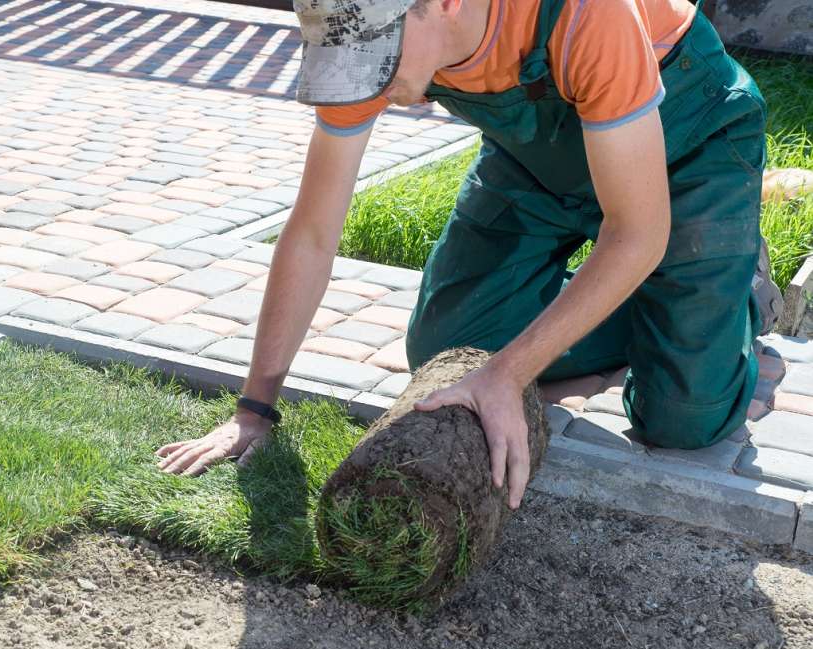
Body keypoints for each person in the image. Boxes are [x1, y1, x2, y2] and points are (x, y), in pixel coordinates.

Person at [156, 0, 784, 510]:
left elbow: (635, 234)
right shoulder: (362, 33)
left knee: (682, 423)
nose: (364, 78)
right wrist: (254, 409)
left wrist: (509, 376)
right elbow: (314, 231)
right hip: (537, 161)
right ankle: (671, 303)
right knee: (449, 355)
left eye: (379, 57)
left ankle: (736, 297)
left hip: (686, 146)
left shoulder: (588, 13)